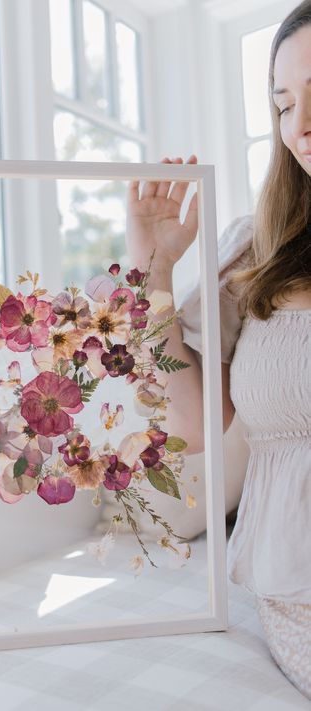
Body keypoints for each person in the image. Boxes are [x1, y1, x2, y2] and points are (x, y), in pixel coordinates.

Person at [125, 0, 311, 699]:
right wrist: (155, 269)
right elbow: (190, 423)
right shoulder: (257, 248)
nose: (299, 127)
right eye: (282, 105)